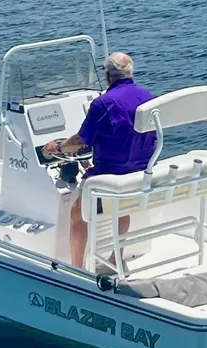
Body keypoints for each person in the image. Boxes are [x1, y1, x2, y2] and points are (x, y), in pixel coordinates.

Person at [43, 52, 155, 268]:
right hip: (140, 173)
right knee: (123, 207)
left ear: (107, 77)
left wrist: (58, 147)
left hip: (111, 175)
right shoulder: (148, 96)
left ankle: (77, 267)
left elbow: (80, 140)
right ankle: (116, 259)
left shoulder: (103, 103)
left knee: (77, 212)